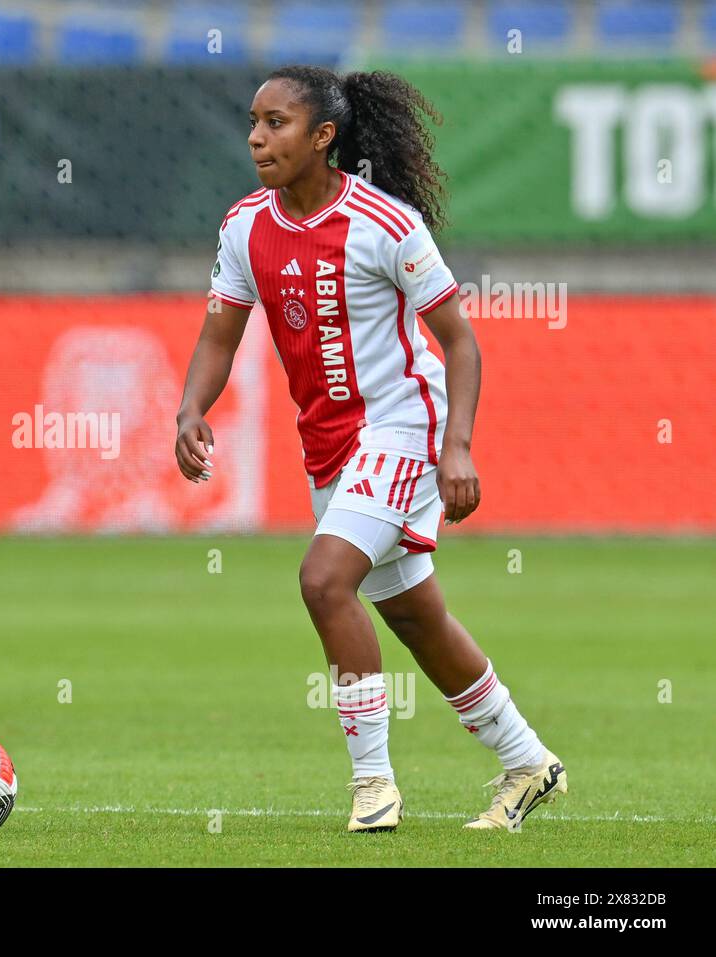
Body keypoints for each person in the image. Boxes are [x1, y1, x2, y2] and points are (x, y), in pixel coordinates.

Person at [174, 65, 566, 833]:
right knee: (418, 617)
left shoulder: (385, 223)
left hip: (402, 429)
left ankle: (374, 786)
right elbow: (221, 331)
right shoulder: (245, 226)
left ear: (325, 136)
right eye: (254, 121)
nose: (257, 136)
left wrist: (457, 447)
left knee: (324, 582)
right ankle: (528, 762)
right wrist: (191, 406)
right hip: (329, 450)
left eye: (277, 122)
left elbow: (460, 341)